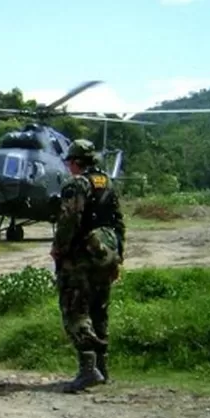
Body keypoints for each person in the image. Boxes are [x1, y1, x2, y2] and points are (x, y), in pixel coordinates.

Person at [51, 139, 125, 393]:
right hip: (105, 254)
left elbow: (69, 220)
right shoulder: (107, 183)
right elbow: (118, 222)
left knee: (75, 311)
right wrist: (118, 256)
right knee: (99, 310)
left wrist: (59, 249)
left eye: (69, 162)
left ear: (74, 162)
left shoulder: (76, 184)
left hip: (80, 258)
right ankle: (103, 369)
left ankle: (87, 370)